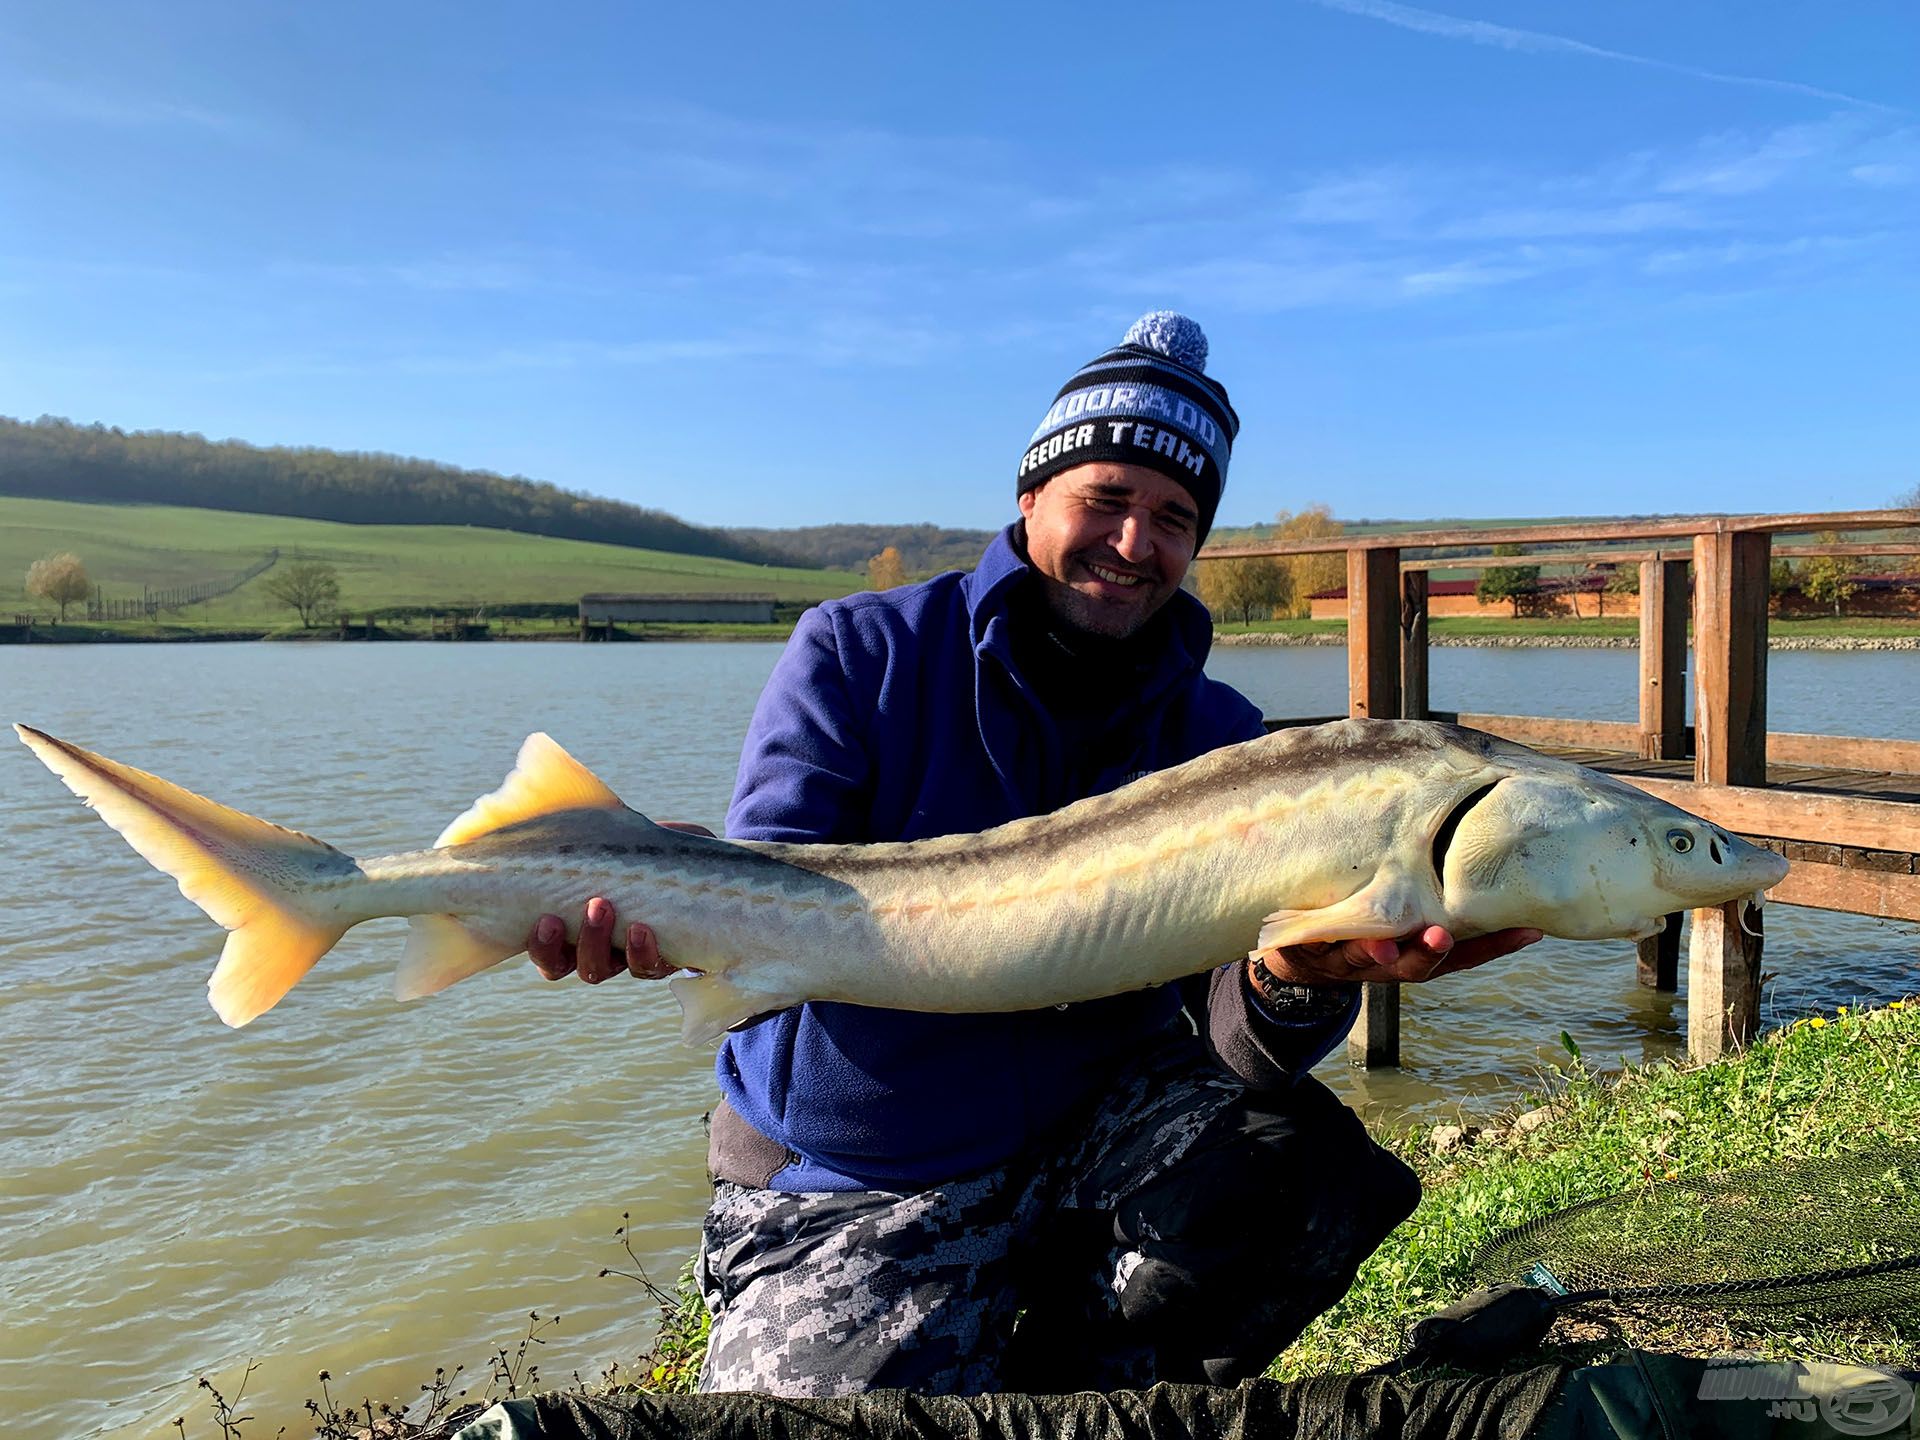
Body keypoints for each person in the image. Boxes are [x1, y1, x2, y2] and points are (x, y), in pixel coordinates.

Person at [527, 312, 1540, 1397]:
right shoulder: (859, 652)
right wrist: (668, 910)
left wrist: (1294, 982)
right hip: (858, 1167)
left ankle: (1076, 1391)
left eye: (1174, 517)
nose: (1135, 543)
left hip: (1087, 1131)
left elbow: (1234, 1042)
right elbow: (773, 889)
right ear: (1030, 498)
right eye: (1105, 500)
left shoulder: (1224, 735)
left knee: (1300, 1170)